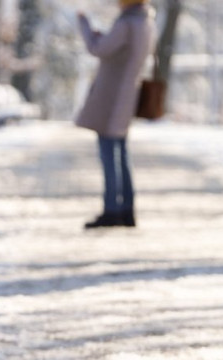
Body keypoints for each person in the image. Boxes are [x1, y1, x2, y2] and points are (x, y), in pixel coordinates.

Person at [75, 0, 156, 228]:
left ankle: (112, 210)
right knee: (120, 151)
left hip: (113, 95)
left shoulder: (128, 23)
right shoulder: (146, 21)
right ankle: (126, 209)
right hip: (129, 92)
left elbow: (99, 49)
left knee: (109, 152)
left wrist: (85, 25)